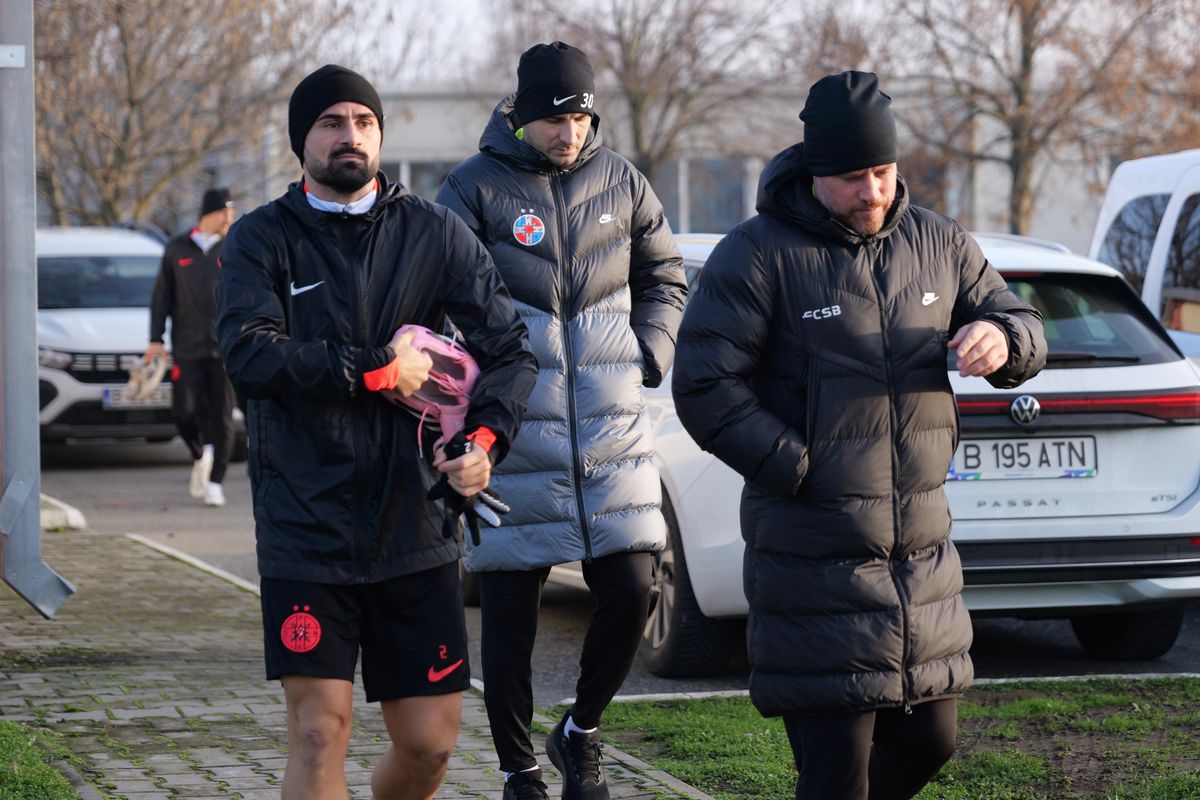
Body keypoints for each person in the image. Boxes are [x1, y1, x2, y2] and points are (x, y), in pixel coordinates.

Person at [671, 71, 1047, 800]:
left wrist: (1002, 336)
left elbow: (1026, 323)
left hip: (924, 567)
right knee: (837, 773)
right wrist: (802, 467)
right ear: (815, 173)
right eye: (850, 178)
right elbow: (704, 385)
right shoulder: (758, 255)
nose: (872, 192)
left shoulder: (939, 241)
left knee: (933, 743)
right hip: (815, 561)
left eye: (882, 172)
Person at [215, 64, 537, 800]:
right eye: (330, 123)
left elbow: (511, 350)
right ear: (303, 141)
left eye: (363, 121)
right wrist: (372, 370)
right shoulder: (262, 239)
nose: (348, 136)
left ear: (381, 134)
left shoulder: (435, 232)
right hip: (306, 527)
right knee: (318, 730)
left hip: (415, 527)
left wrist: (482, 446)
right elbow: (249, 354)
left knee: (429, 748)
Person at [436, 41, 687, 800]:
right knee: (511, 619)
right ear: (520, 114)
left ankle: (581, 732)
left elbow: (665, 276)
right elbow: (439, 293)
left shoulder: (624, 182)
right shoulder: (472, 188)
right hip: (512, 438)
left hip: (611, 435)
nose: (568, 132)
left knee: (634, 587)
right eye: (552, 118)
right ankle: (519, 772)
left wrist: (648, 350)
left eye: (578, 116)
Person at [146, 187, 238, 507]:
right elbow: (161, 299)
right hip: (187, 347)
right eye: (224, 212)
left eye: (232, 211)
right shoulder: (176, 249)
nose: (230, 218)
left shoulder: (236, 248)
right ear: (208, 214)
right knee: (183, 413)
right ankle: (201, 453)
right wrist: (155, 340)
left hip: (226, 348)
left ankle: (215, 482)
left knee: (224, 418)